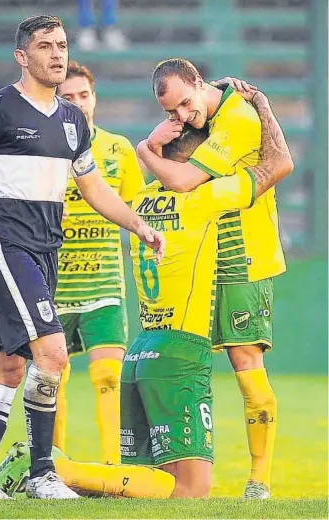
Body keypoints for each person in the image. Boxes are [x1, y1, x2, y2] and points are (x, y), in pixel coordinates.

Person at [0, 88, 293, 499]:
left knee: (138, 484)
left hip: (139, 354)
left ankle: (59, 471)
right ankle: (56, 468)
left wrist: (148, 146)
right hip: (179, 357)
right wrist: (262, 105)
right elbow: (278, 165)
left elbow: (157, 171)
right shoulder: (205, 199)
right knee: (189, 491)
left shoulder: (142, 202)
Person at [0, 15, 164, 501]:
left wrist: (138, 225)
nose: (57, 54)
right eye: (45, 46)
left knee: (9, 368)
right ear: (22, 56)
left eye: (61, 45)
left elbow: (94, 187)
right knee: (54, 354)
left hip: (43, 252)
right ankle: (42, 474)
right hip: (2, 243)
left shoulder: (72, 120)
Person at [137, 59, 287, 499]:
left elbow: (181, 180)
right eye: (172, 112)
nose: (182, 117)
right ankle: (175, 473)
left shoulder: (239, 117)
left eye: (186, 103)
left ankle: (259, 479)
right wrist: (157, 141)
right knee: (179, 361)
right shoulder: (199, 113)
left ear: (200, 84)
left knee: (246, 366)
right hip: (197, 257)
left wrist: (145, 150)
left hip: (242, 257)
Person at [52, 61, 143, 464]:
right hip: (51, 286)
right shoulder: (38, 149)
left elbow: (141, 210)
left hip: (104, 285)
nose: (77, 103)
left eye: (83, 95)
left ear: (95, 99)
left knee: (109, 377)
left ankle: (113, 468)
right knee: (50, 380)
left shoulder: (118, 148)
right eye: (67, 97)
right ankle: (50, 465)